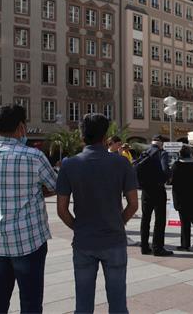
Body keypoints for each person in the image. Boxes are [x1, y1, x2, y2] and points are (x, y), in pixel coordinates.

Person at [0, 104, 57, 314]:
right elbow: (55, 185)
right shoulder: (33, 156)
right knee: (30, 303)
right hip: (28, 239)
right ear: (22, 127)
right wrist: (37, 193)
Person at [56, 113, 139, 313]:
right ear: (106, 136)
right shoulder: (121, 163)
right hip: (114, 239)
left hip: (84, 241)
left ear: (82, 135)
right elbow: (133, 204)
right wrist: (119, 223)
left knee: (83, 302)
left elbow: (61, 209)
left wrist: (78, 226)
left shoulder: (69, 164)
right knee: (118, 301)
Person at [140, 135, 173, 256]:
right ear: (161, 143)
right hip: (158, 189)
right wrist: (167, 177)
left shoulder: (145, 152)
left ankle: (144, 247)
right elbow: (165, 170)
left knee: (145, 219)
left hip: (145, 190)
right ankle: (157, 248)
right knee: (159, 219)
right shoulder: (161, 153)